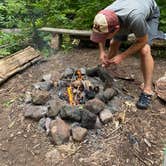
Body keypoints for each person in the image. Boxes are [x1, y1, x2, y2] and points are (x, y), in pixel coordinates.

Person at [90, 0, 165, 109]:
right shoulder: (103, 16)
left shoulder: (136, 18)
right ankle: (104, 68)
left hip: (148, 14)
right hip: (125, 14)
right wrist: (102, 52)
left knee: (145, 50)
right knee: (114, 42)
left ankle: (147, 90)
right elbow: (100, 33)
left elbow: (142, 41)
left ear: (115, 29)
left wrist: (122, 56)